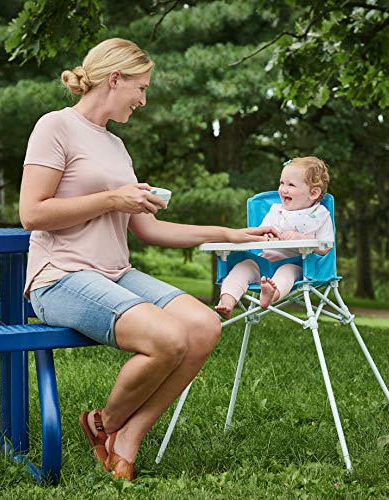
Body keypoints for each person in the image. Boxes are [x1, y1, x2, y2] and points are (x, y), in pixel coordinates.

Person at [18, 38, 278, 481]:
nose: (143, 99)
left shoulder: (117, 148)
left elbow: (149, 230)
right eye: (141, 87)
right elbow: (32, 213)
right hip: (59, 276)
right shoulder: (54, 126)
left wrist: (231, 234)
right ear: (114, 78)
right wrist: (111, 198)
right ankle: (104, 424)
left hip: (116, 274)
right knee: (168, 338)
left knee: (203, 326)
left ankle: (127, 435)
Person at [215, 156, 334, 320]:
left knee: (286, 273)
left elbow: (326, 247)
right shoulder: (276, 210)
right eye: (281, 183)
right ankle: (227, 302)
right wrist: (267, 236)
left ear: (313, 193)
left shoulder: (320, 215)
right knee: (242, 267)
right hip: (265, 260)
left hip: (297, 264)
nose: (283, 189)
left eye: (291, 185)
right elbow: (260, 233)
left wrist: (300, 238)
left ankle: (271, 295)